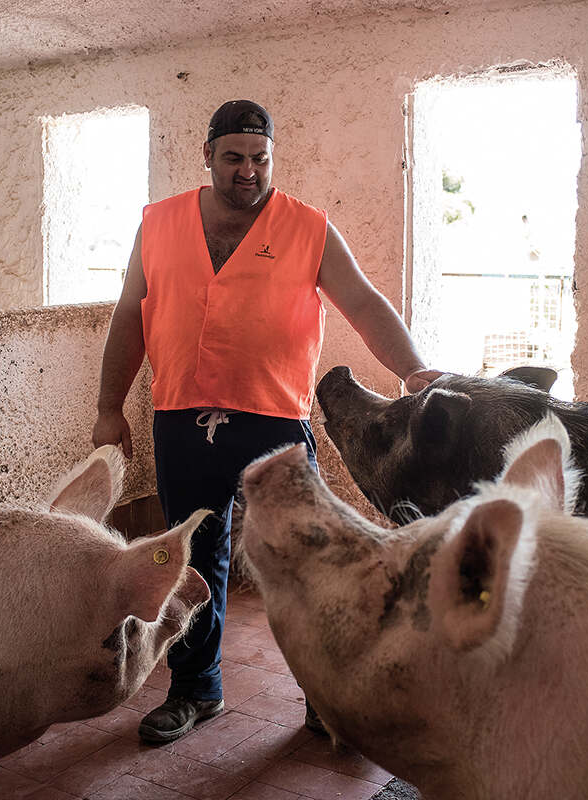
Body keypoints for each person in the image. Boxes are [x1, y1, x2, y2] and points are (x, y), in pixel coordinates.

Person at [91, 99, 441, 744]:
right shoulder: (159, 223)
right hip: (180, 418)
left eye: (260, 158)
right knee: (193, 560)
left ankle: (325, 698)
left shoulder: (308, 227)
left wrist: (412, 371)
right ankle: (197, 690)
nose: (247, 171)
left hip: (274, 420)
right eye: (234, 158)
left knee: (304, 560)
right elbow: (129, 314)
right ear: (208, 156)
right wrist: (109, 405)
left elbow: (362, 300)